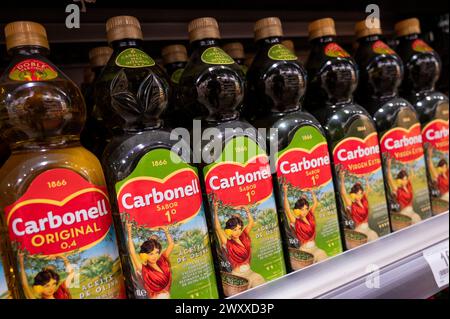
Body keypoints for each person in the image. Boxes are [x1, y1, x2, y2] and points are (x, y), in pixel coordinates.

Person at [213, 198, 265, 288]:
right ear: (229, 231)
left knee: (260, 281)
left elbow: (251, 222)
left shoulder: (244, 235)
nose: (237, 232)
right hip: (238, 276)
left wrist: (246, 209)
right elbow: (218, 228)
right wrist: (216, 210)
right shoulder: (227, 242)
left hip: (249, 272)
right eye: (234, 229)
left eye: (239, 228)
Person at [126, 222, 174, 299]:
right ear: (145, 254)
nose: (154, 256)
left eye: (157, 253)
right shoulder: (144, 269)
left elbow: (171, 245)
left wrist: (166, 230)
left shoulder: (162, 260)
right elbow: (132, 253)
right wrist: (129, 232)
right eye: (151, 254)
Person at [282, 184, 327, 262]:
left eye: (306, 208)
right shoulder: (296, 221)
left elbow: (315, 203)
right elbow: (287, 209)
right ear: (297, 210)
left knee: (322, 254)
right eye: (302, 209)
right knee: (320, 255)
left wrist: (312, 192)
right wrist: (285, 192)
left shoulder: (310, 215)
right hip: (305, 250)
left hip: (314, 247)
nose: (305, 211)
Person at [339, 170, 378, 241]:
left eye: (361, 193)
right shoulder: (351, 205)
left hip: (367, 228)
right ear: (353, 194)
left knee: (373, 235)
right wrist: (342, 178)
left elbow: (368, 189)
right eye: (357, 194)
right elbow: (343, 193)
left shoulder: (364, 201)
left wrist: (366, 179)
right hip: (359, 230)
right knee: (372, 235)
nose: (360, 195)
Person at [386, 158, 421, 223]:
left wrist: (410, 165)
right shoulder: (397, 190)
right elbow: (390, 178)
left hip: (412, 211)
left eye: (406, 179)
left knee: (417, 217)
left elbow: (412, 175)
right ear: (399, 180)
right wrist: (388, 166)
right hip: (404, 214)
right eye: (403, 180)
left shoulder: (409, 186)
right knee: (415, 219)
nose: (405, 181)